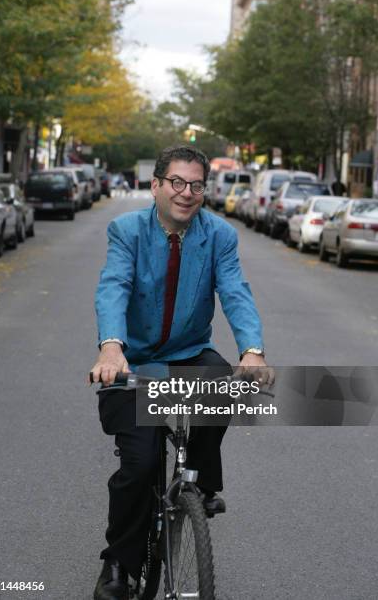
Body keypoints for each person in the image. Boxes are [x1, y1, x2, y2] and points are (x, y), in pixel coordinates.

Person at [90, 145, 273, 600]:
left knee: (226, 384)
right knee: (140, 463)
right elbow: (113, 286)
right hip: (134, 361)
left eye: (195, 184)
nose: (186, 193)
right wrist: (111, 348)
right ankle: (118, 564)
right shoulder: (127, 231)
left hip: (190, 353)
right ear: (155, 186)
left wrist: (253, 350)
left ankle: (201, 483)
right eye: (176, 182)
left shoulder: (220, 236)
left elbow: (235, 291)